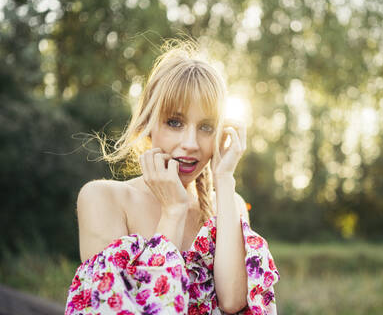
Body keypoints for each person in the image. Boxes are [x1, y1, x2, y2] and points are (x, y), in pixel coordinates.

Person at [65, 39, 280, 315]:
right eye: (175, 122)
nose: (190, 143)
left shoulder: (230, 205)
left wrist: (225, 179)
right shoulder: (103, 199)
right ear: (147, 124)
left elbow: (233, 301)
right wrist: (173, 212)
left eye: (206, 126)